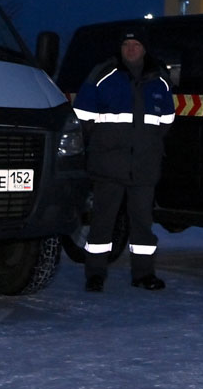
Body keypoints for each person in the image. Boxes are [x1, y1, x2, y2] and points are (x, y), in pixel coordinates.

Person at [72, 26, 175, 291]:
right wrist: (104, 142)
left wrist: (145, 144)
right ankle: (95, 275)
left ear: (144, 48)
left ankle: (144, 274)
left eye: (136, 44)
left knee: (143, 225)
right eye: (126, 45)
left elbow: (166, 120)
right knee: (102, 223)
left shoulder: (159, 80)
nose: (131, 49)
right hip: (108, 165)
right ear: (120, 48)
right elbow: (82, 115)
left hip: (144, 166)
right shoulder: (103, 75)